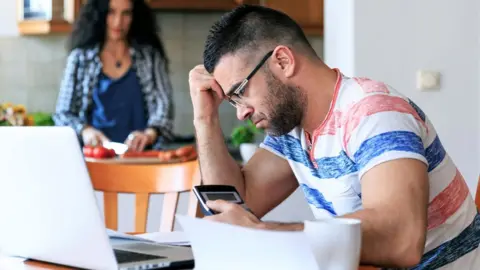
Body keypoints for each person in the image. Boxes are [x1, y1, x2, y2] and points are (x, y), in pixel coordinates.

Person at [188, 4, 480, 270]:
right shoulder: (292, 131)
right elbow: (236, 206)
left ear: (283, 61)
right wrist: (205, 118)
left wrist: (264, 233)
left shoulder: (374, 113)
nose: (240, 113)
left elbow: (400, 239)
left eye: (240, 92)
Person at [53, 0, 174, 152]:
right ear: (99, 14)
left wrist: (149, 134)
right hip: (94, 158)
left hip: (142, 159)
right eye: (111, 12)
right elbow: (63, 114)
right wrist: (86, 130)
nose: (118, 22)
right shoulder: (80, 59)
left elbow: (164, 108)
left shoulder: (150, 57)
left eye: (126, 13)